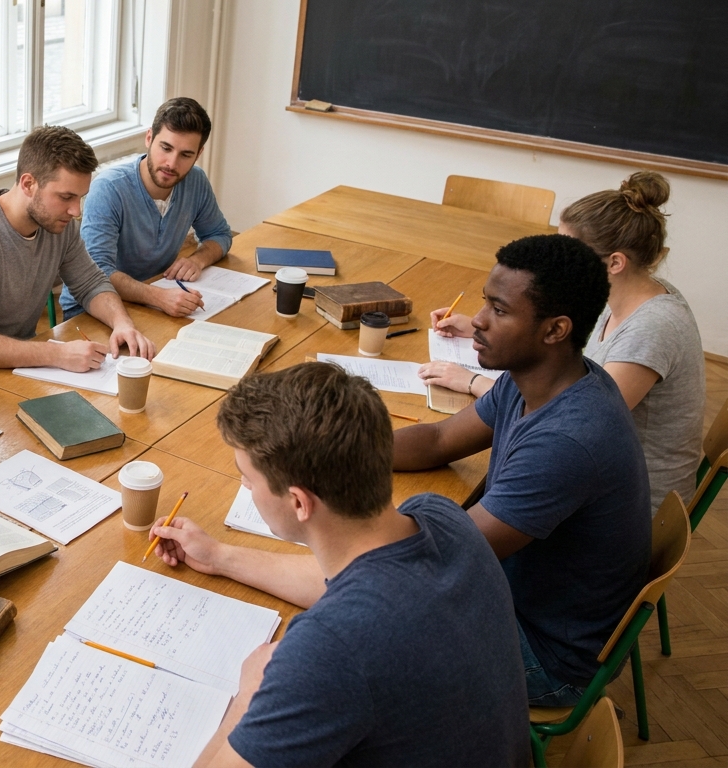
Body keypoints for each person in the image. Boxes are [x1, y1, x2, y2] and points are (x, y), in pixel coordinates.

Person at [149, 363, 527, 767]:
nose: (244, 486)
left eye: (247, 477)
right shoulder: (440, 517)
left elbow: (347, 622)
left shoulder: (330, 650)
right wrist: (221, 557)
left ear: (298, 502)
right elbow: (343, 582)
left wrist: (249, 695)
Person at [397, 234, 651, 707]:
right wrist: (334, 448)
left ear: (555, 330)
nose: (477, 320)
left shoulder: (570, 440)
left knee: (363, 630)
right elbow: (437, 440)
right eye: (484, 303)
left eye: (499, 309)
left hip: (546, 655)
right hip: (517, 595)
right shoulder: (542, 377)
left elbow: (440, 553)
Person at [423, 172, 703, 513]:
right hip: (591, 474)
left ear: (615, 262)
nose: (557, 260)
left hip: (630, 505)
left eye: (570, 250)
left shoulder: (654, 327)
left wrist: (471, 381)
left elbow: (573, 413)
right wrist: (486, 327)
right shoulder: (617, 295)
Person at [0, 126, 156, 371]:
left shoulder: (58, 225)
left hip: (16, 367)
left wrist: (122, 324)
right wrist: (57, 353)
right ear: (28, 184)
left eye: (80, 197)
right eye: (66, 197)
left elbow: (91, 284)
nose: (76, 211)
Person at [63, 97, 232, 319]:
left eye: (185, 155)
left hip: (153, 299)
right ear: (149, 138)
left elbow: (219, 234)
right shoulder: (109, 189)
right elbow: (97, 273)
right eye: (166, 148)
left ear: (198, 154)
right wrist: (159, 297)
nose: (172, 163)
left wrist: (197, 260)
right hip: (92, 308)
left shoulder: (196, 181)